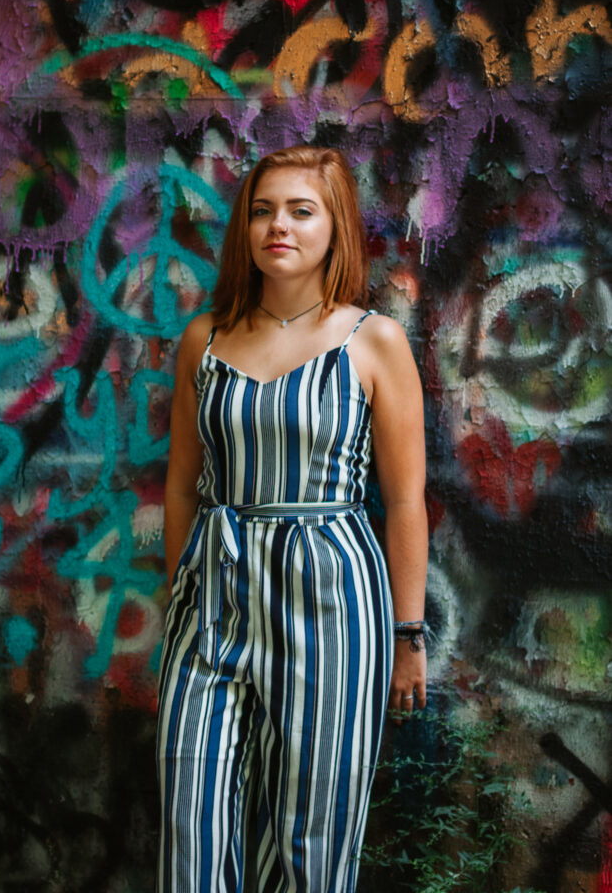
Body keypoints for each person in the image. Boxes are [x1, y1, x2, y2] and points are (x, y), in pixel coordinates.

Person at [156, 146, 427, 892]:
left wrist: (408, 636)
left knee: (312, 838)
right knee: (190, 819)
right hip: (212, 600)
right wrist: (182, 589)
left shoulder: (371, 341)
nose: (278, 225)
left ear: (334, 228)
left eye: (300, 210)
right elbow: (181, 486)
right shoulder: (203, 340)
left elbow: (404, 500)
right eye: (262, 209)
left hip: (331, 602)